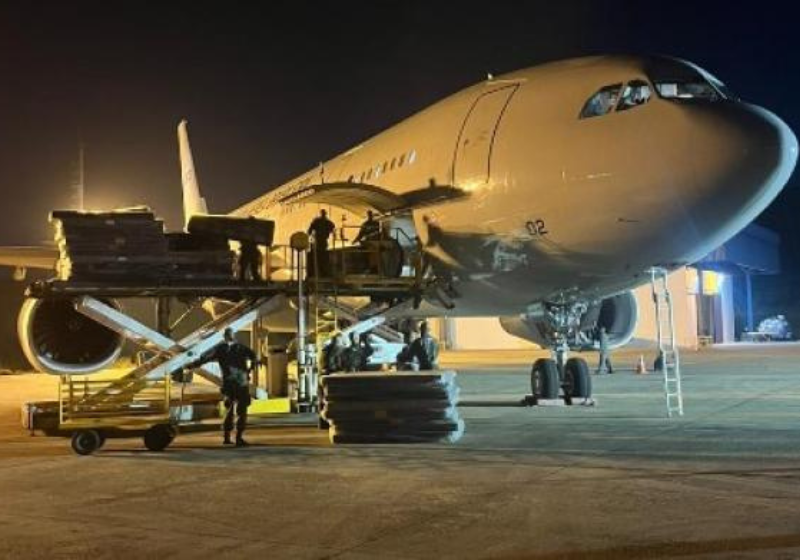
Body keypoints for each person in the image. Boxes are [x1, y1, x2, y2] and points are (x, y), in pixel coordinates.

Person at [185, 327, 257, 446]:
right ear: (234, 336)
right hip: (241, 383)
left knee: (229, 409)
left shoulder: (220, 349)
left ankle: (227, 437)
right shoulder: (242, 348)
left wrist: (191, 365)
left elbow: (205, 359)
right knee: (242, 411)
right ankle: (238, 438)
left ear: (224, 337)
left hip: (229, 383)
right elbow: (254, 356)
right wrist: (249, 370)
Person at [307, 209, 335, 277]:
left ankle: (319, 271)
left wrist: (309, 234)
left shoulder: (318, 221)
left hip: (320, 240)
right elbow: (332, 228)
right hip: (321, 240)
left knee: (319, 253)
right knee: (322, 253)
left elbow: (310, 229)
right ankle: (322, 271)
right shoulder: (327, 222)